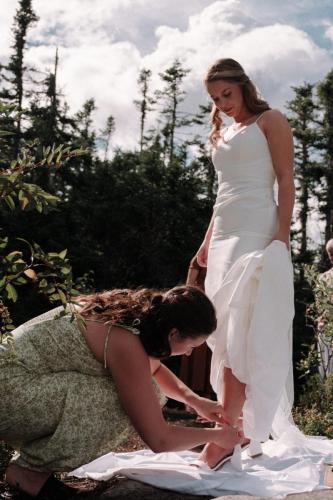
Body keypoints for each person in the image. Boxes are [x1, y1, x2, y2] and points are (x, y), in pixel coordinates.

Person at [0, 285, 241, 498]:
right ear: (174, 334)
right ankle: (28, 475)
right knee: (129, 402)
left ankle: (30, 471)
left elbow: (152, 369)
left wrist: (195, 400)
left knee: (145, 393)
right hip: (11, 394)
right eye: (191, 346)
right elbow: (159, 438)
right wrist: (217, 436)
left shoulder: (134, 316)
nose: (188, 353)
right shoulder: (124, 340)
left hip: (14, 385)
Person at [195, 58, 295, 468]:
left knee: (241, 326)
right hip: (224, 234)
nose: (222, 104)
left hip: (257, 228)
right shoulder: (223, 132)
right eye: (215, 99)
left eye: (227, 95)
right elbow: (223, 193)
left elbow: (286, 178)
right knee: (220, 328)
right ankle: (232, 427)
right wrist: (204, 243)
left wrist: (283, 234)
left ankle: (227, 433)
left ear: (243, 86)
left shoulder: (270, 120)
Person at [317, 238, 333, 377]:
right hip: (326, 329)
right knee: (327, 371)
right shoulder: (323, 278)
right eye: (330, 254)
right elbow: (319, 306)